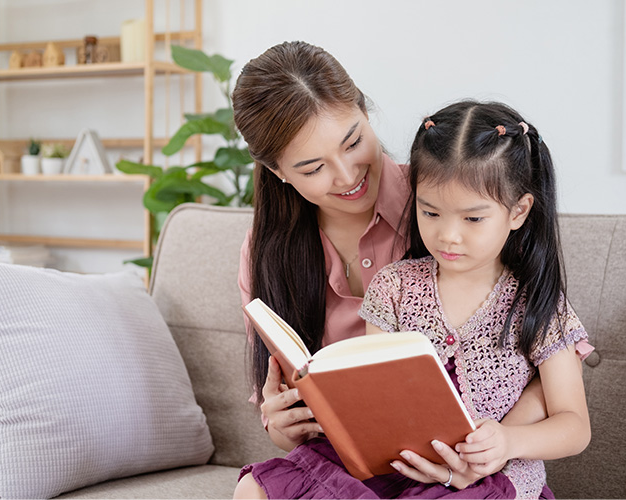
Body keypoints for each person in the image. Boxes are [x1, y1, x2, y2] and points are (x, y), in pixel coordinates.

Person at [232, 42, 590, 498]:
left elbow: (546, 379)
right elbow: (320, 406)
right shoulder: (272, 254)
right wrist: (283, 423)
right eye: (314, 167)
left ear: (365, 109)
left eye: (353, 141)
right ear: (276, 170)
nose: (345, 175)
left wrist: (490, 447)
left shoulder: (449, 189)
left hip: (481, 457)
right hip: (372, 455)